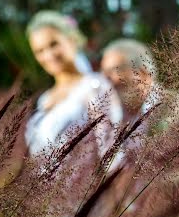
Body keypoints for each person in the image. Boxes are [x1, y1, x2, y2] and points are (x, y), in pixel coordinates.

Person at [100, 38, 179, 186]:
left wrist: (142, 190)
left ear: (142, 74)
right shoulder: (110, 118)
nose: (107, 79)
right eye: (104, 73)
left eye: (114, 70)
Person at [25, 10, 121, 157]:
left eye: (53, 44)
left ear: (71, 39)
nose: (48, 55)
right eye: (40, 51)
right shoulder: (44, 99)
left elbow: (112, 149)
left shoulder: (95, 86)